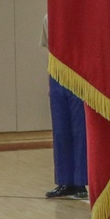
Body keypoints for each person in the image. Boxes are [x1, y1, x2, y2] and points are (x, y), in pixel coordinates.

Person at [40, 14, 88, 200]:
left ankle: (80, 181)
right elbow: (49, 51)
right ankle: (64, 181)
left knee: (80, 130)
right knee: (60, 131)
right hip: (57, 76)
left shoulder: (83, 15)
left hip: (79, 75)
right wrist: (50, 82)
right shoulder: (48, 17)